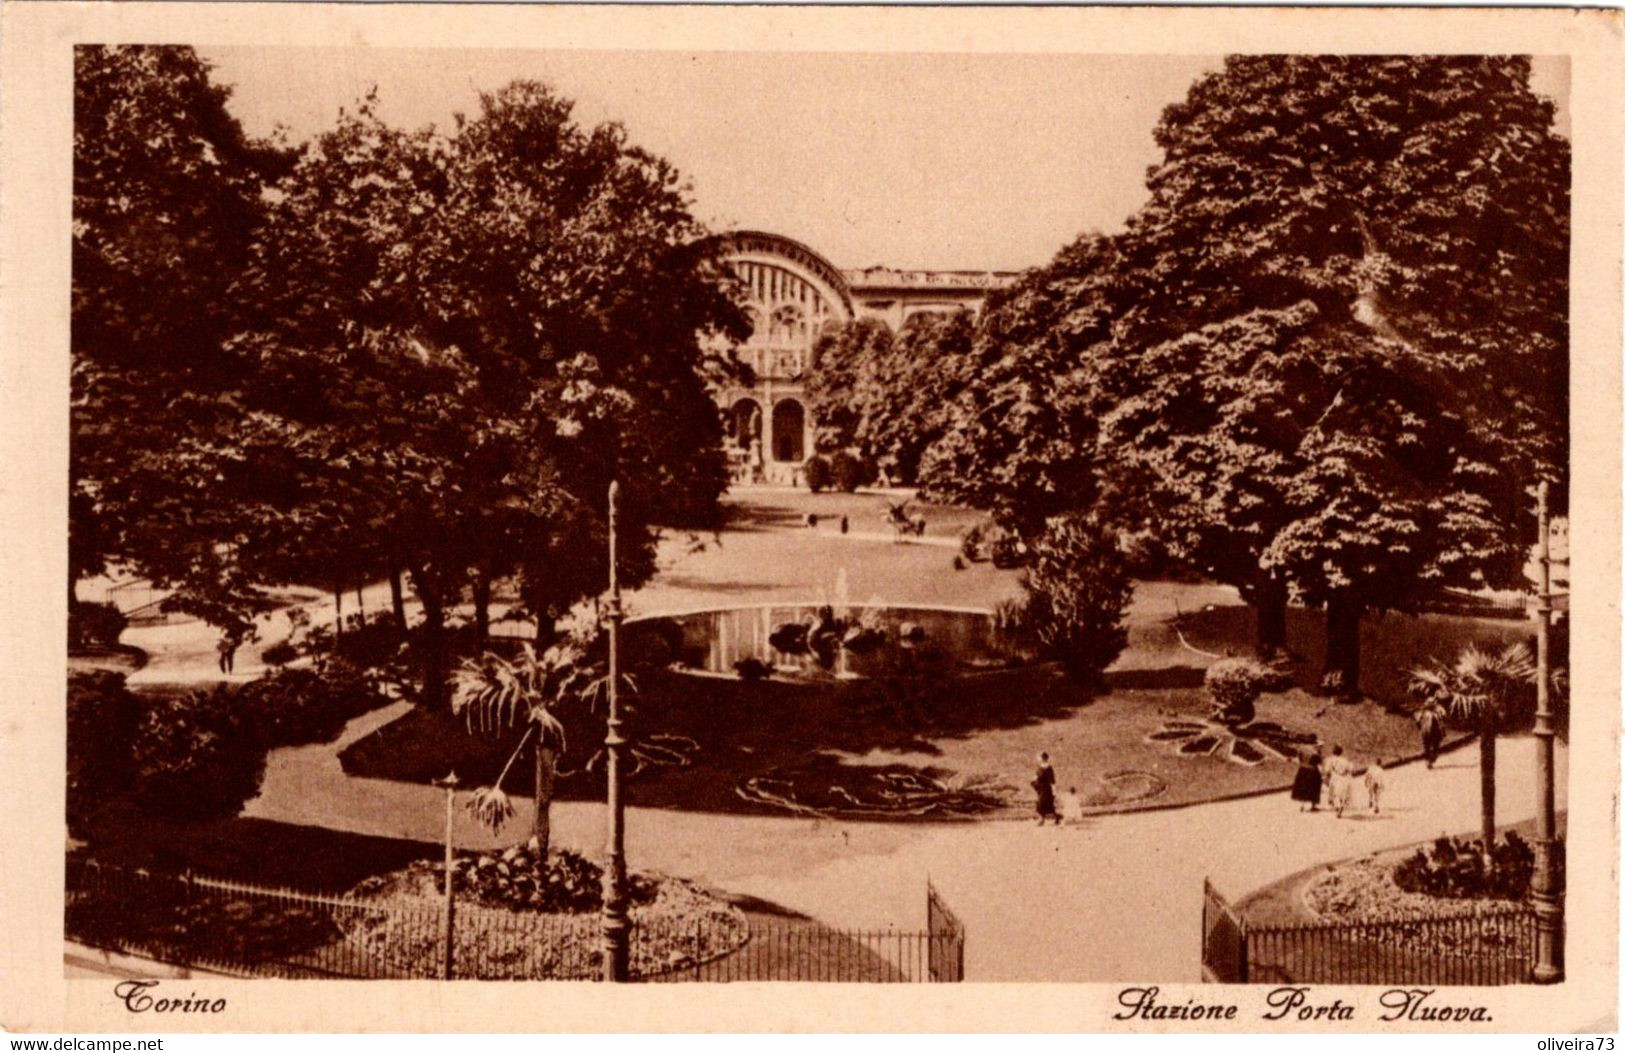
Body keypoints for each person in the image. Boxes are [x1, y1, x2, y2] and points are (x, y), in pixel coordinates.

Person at [1324, 746, 1354, 818]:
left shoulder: (1330, 760)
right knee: (1342, 793)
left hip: (1335, 778)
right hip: (1344, 778)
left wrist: (1327, 777)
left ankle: (1337, 807)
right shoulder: (1345, 760)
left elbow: (1327, 771)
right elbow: (1350, 769)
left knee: (1335, 794)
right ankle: (1341, 806)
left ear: (1333, 752)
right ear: (1341, 752)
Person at [1415, 699, 1447, 768]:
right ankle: (1428, 760)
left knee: (1435, 745)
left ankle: (1432, 758)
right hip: (1426, 731)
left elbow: (1444, 716)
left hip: (1435, 732)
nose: (1430, 704)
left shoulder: (1438, 710)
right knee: (1426, 746)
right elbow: (1417, 720)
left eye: (1432, 703)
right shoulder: (1423, 711)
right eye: (1429, 703)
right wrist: (1421, 728)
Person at [1291, 747, 1324, 812]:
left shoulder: (1302, 749)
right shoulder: (1316, 752)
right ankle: (1313, 806)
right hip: (1312, 771)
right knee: (1314, 788)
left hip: (1302, 770)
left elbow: (1298, 760)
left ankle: (1302, 805)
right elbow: (1319, 763)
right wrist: (1322, 774)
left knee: (1303, 787)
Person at [1032, 752, 1059, 826]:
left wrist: (1054, 790)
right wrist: (1034, 782)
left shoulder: (1049, 768)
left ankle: (1043, 820)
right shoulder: (1040, 767)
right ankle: (1056, 817)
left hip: (1046, 789)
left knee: (1043, 804)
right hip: (1041, 788)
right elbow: (1036, 776)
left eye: (1041, 758)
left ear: (1044, 759)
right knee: (1043, 804)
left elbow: (1052, 780)